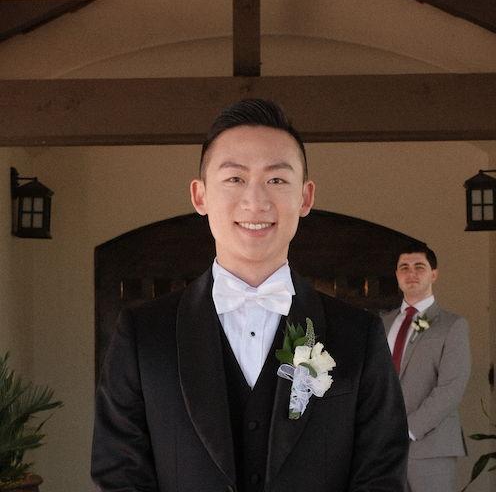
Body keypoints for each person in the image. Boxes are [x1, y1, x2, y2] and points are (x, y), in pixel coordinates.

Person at [91, 98, 408, 491]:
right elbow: (119, 474)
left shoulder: (358, 334)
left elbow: (382, 474)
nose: (255, 202)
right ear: (200, 196)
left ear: (305, 197)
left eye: (276, 180)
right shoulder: (142, 334)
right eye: (234, 179)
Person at [382, 243, 471, 492]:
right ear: (396, 275)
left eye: (419, 267)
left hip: (430, 447)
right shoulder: (382, 323)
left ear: (434, 274)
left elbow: (451, 388)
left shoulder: (452, 325)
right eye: (404, 267)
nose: (411, 273)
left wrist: (408, 429)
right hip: (383, 448)